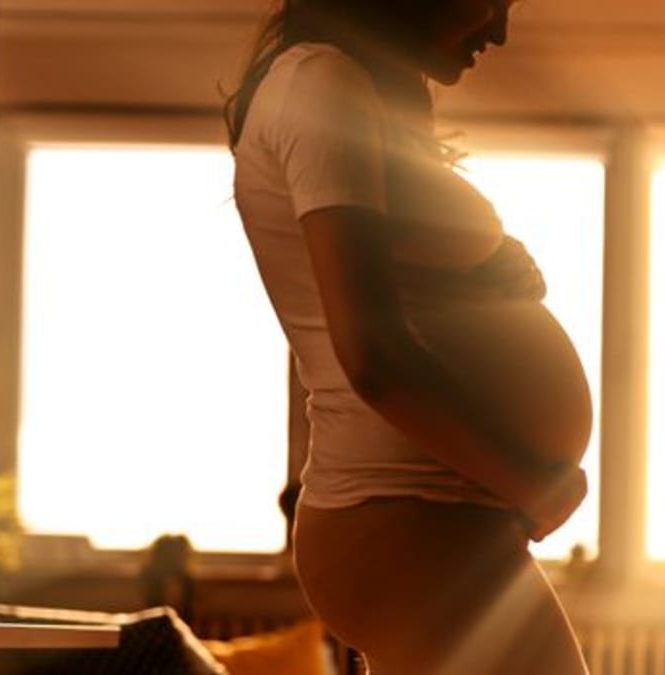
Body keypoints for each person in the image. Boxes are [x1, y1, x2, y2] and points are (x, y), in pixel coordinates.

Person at [225, 1, 591, 672]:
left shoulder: (340, 90)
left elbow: (384, 265)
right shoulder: (319, 85)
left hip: (424, 510)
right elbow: (375, 357)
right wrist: (528, 480)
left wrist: (487, 263)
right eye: (492, 1)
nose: (500, 31)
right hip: (404, 507)